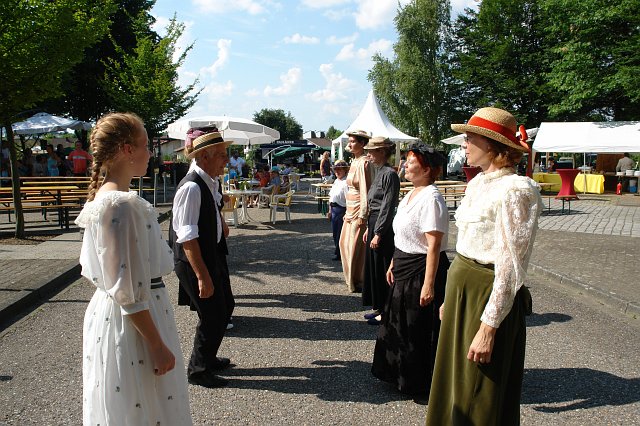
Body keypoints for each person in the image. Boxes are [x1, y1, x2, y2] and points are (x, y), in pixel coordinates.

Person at [426, 107, 543, 425]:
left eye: (469, 138)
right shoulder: (477, 183)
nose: (464, 144)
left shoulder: (516, 190)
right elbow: (467, 244)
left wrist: (489, 328)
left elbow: (511, 266)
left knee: (477, 393)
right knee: (454, 383)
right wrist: (451, 298)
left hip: (487, 296)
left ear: (491, 145)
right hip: (463, 291)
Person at [75, 112, 192, 425]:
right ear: (127, 150)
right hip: (132, 323)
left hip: (124, 315)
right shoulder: (120, 205)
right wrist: (157, 345)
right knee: (143, 407)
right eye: (145, 145)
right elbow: (126, 288)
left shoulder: (114, 199)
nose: (150, 153)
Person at [371, 143, 449, 397]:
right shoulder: (411, 193)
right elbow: (403, 234)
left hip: (421, 270)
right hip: (403, 264)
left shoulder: (432, 198)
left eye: (410, 161)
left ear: (426, 169)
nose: (404, 165)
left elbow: (433, 245)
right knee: (398, 324)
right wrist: (394, 260)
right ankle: (398, 374)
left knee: (417, 327)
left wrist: (429, 285)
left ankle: (418, 381)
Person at [169, 127, 235, 388]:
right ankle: (198, 370)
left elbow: (212, 208)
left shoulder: (209, 181)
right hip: (194, 261)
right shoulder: (191, 187)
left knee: (225, 307)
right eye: (221, 154)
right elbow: (186, 237)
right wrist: (202, 276)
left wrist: (220, 223)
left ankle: (208, 357)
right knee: (212, 315)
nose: (226, 159)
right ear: (204, 156)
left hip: (212, 253)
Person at [362, 137, 400, 324]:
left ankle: (386, 311)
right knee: (375, 268)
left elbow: (387, 206)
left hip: (382, 225)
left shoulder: (390, 174)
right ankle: (379, 307)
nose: (368, 155)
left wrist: (378, 232)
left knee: (383, 268)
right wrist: (369, 229)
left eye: (371, 151)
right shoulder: (380, 171)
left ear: (382, 152)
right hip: (375, 222)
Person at [339, 129, 373, 293]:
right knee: (344, 244)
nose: (350, 144)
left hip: (359, 209)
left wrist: (363, 214)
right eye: (350, 141)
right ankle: (350, 279)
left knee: (355, 247)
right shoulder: (354, 161)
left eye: (353, 141)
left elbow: (366, 190)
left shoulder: (364, 163)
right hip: (350, 209)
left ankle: (357, 280)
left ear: (362, 144)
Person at [326, 160, 350, 261]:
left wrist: (347, 213)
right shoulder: (336, 181)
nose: (337, 172)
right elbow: (331, 197)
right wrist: (329, 211)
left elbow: (349, 199)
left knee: (340, 233)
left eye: (339, 169)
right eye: (335, 170)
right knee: (335, 233)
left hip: (341, 209)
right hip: (334, 209)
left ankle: (340, 254)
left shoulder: (346, 182)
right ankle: (338, 252)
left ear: (345, 170)